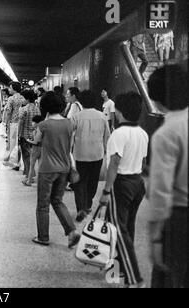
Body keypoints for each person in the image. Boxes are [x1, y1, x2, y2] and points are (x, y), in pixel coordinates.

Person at [99, 92, 149, 288]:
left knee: (118, 230)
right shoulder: (143, 133)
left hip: (122, 184)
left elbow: (114, 164)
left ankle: (134, 278)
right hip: (138, 183)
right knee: (127, 227)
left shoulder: (118, 134)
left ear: (119, 110)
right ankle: (119, 266)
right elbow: (143, 162)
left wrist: (106, 191)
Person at [147, 65, 188, 288]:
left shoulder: (167, 132)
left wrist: (155, 237)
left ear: (155, 98)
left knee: (167, 278)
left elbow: (160, 192)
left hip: (178, 219)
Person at [32, 92, 81, 248]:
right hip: (64, 168)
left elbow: (36, 141)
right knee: (57, 201)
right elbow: (70, 146)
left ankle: (43, 237)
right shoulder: (69, 124)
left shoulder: (44, 125)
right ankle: (72, 232)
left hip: (47, 169)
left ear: (45, 106)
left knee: (43, 204)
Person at [71, 90, 111, 222]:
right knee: (93, 182)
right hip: (96, 155)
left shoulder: (77, 116)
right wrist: (106, 151)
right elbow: (107, 136)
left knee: (79, 183)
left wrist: (69, 151)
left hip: (80, 155)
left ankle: (80, 208)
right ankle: (88, 204)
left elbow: (70, 135)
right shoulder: (102, 116)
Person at [18, 90, 40, 183]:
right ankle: (31, 174)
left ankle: (28, 176)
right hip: (34, 136)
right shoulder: (37, 109)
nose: (22, 100)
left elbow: (20, 123)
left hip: (25, 136)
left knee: (26, 156)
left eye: (23, 98)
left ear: (27, 99)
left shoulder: (24, 109)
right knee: (32, 156)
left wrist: (18, 135)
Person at [3, 82, 26, 169]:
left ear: (14, 89)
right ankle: (18, 162)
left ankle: (14, 163)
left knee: (12, 144)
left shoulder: (11, 99)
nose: (9, 89)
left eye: (10, 88)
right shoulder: (23, 98)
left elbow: (8, 112)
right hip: (22, 124)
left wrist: (6, 123)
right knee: (18, 143)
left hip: (13, 123)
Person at [24, 115, 43, 186]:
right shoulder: (41, 129)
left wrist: (28, 140)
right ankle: (41, 182)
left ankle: (29, 181)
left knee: (32, 166)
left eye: (33, 122)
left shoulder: (38, 130)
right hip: (42, 149)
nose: (32, 123)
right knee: (41, 167)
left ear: (37, 123)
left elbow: (36, 142)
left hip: (36, 149)